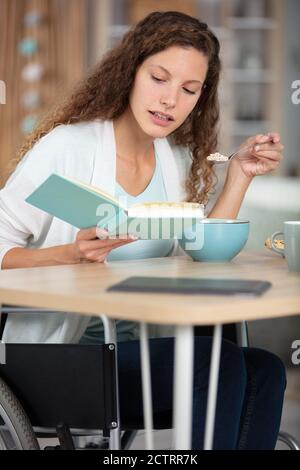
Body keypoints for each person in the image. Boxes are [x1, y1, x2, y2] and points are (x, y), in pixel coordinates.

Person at [0, 11, 286, 449]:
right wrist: (69, 254)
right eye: (159, 78)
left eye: (189, 89)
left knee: (265, 369)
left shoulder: (171, 161)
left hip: (137, 358)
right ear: (131, 71)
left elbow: (201, 248)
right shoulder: (67, 147)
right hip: (64, 363)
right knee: (214, 362)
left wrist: (240, 176)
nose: (170, 100)